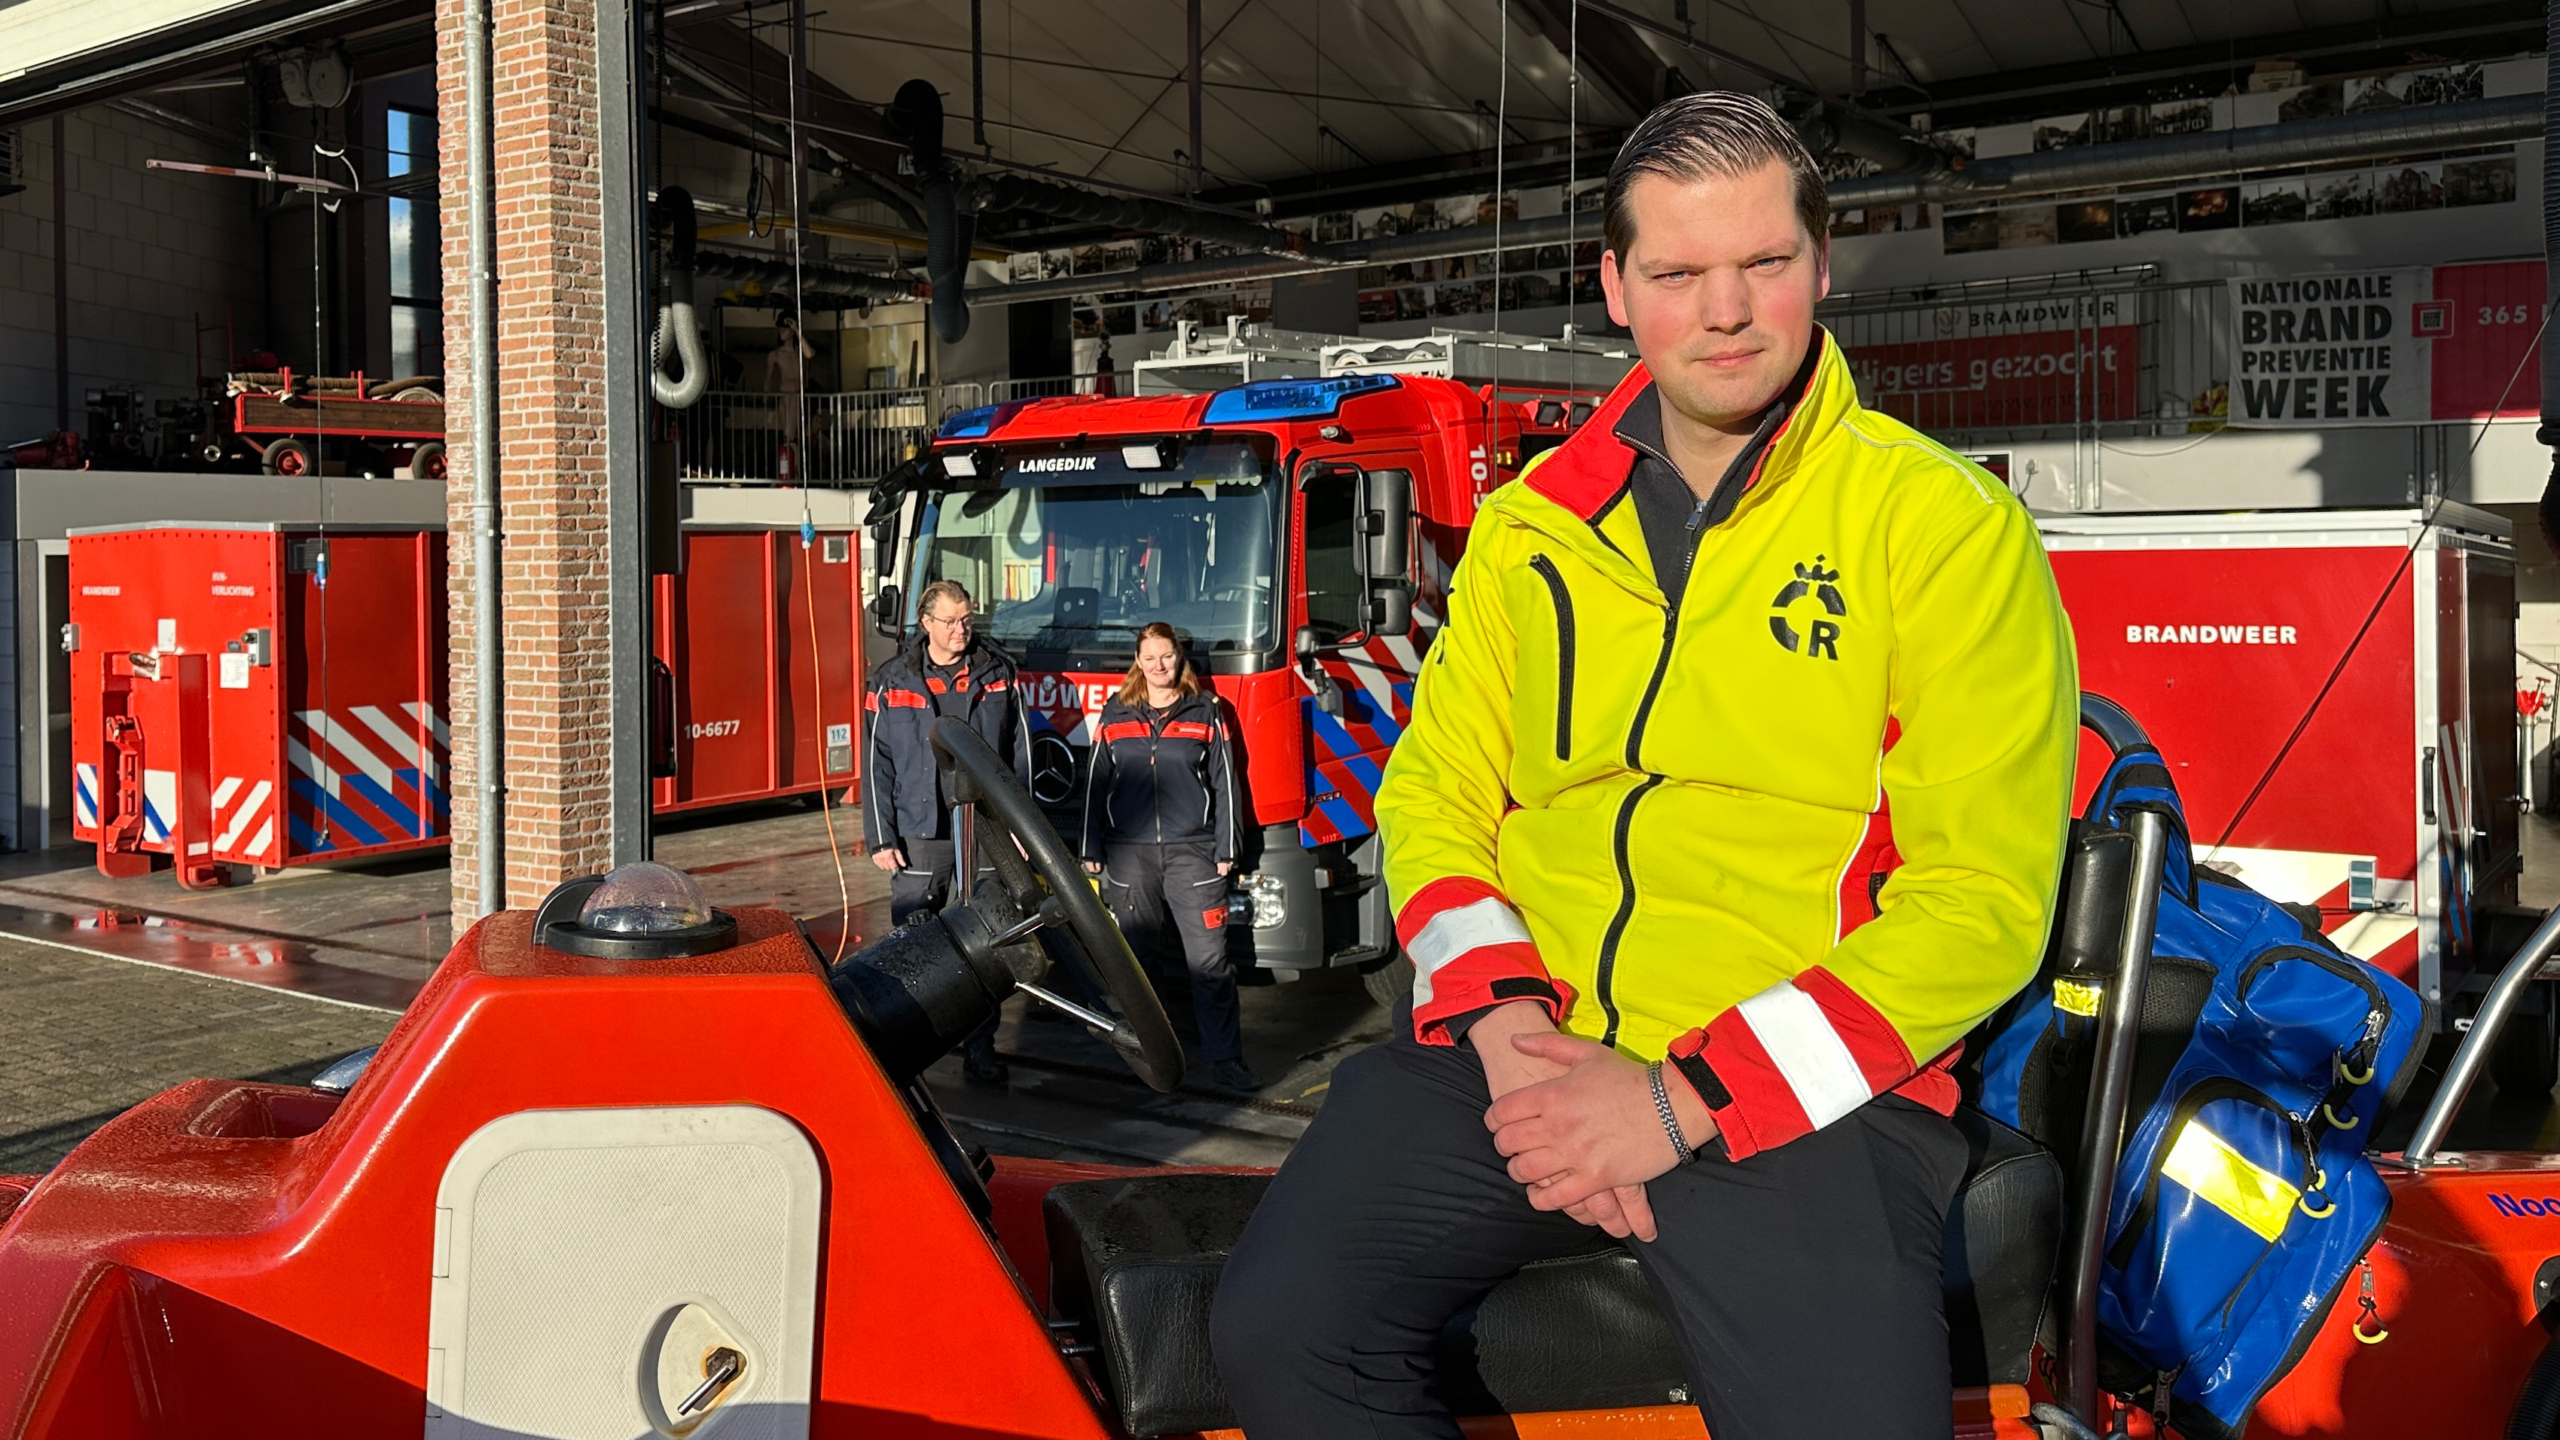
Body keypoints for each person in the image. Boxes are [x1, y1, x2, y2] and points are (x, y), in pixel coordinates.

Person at [1209, 92, 2078, 1440]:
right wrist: (1507, 1035)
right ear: (1616, 288)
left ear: (1823, 265)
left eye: (1764, 265)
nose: (1726, 311)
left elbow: (1980, 904)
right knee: (1278, 1338)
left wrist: (1678, 1103)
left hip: (1803, 1093)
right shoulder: (1526, 529)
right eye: (1677, 274)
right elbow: (1433, 796)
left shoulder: (1942, 529)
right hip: (1525, 1044)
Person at [863, 577, 1033, 1086]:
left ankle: (980, 1048)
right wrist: (881, 837)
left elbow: (1019, 756)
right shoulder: (892, 680)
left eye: (967, 620)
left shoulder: (998, 673)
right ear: (927, 623)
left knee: (986, 936)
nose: (962, 630)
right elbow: (877, 765)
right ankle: (908, 1048)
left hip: (983, 827)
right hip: (919, 831)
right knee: (911, 939)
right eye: (952, 621)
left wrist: (1022, 828)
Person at [1080, 622, 1254, 1092]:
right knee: (1138, 965)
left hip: (1193, 856)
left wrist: (1226, 849)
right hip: (1129, 858)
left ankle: (1225, 1060)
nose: (1159, 666)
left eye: (1167, 657)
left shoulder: (1207, 711)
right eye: (1150, 658)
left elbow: (1226, 783)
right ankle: (1152, 1059)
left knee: (1209, 963)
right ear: (1138, 661)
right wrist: (1090, 848)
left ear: (1180, 659)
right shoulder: (1115, 715)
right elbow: (1096, 787)